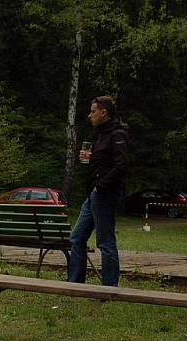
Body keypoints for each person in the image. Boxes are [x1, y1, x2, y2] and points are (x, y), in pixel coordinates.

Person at [68, 95, 129, 287]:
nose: (90, 115)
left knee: (105, 242)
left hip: (105, 193)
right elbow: (104, 160)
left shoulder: (118, 134)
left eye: (93, 111)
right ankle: (75, 283)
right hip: (93, 194)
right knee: (77, 238)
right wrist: (91, 157)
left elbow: (121, 166)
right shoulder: (100, 133)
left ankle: (109, 287)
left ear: (104, 112)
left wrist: (100, 185)